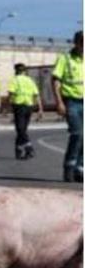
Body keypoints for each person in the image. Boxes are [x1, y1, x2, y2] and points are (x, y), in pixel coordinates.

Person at [52, 30, 83, 182]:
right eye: (82, 43)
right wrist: (59, 102)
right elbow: (56, 80)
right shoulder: (65, 59)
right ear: (76, 43)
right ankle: (69, 166)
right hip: (71, 102)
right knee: (77, 134)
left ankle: (80, 167)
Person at [8, 63, 43, 160]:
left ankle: (29, 147)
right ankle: (18, 151)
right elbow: (36, 95)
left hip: (19, 106)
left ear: (16, 70)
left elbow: (11, 94)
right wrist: (40, 109)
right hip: (29, 106)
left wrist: (8, 108)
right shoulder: (30, 80)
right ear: (24, 71)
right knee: (22, 130)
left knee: (20, 129)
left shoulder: (14, 80)